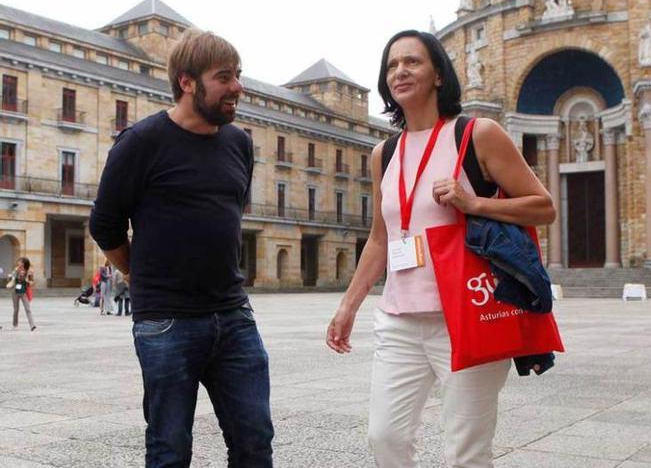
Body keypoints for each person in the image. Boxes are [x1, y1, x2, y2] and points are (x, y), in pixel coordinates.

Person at [326, 29, 555, 467]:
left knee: (465, 451)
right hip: (399, 321)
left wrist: (474, 202)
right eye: (392, 65)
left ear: (437, 75)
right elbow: (381, 237)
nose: (400, 71)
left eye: (412, 62)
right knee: (385, 437)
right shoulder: (384, 153)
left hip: (468, 315)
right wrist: (348, 306)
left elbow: (544, 207)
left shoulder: (476, 134)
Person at [89, 28, 273, 467]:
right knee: (170, 448)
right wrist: (138, 274)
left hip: (233, 316)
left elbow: (229, 214)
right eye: (224, 76)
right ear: (187, 82)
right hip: (167, 323)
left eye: (239, 75)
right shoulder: (141, 142)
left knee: (254, 442)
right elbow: (105, 225)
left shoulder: (239, 143)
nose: (237, 87)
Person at [9, 257, 35, 331]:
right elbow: (11, 279)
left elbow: (32, 281)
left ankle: (32, 325)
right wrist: (13, 275)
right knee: (16, 309)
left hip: (23, 292)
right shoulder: (16, 270)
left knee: (28, 308)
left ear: (24, 263)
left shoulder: (29, 271)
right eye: (19, 261)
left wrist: (28, 281)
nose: (19, 263)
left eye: (21, 262)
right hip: (15, 292)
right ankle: (15, 324)